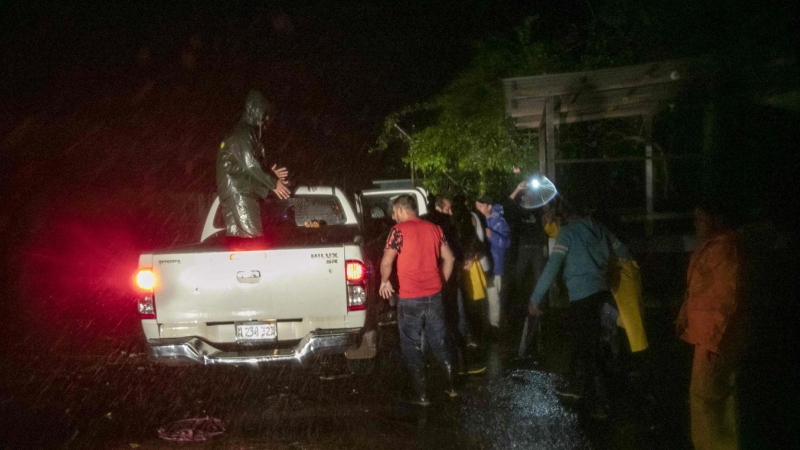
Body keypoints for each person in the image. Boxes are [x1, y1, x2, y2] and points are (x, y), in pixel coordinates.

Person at [528, 195, 633, 418]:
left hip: (581, 298)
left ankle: (602, 403)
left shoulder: (567, 233)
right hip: (603, 294)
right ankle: (579, 385)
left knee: (588, 350)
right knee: (598, 343)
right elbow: (623, 251)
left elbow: (552, 267)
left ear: (563, 214)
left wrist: (535, 298)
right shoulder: (600, 228)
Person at [676, 200, 747, 450]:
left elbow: (727, 299)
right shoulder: (716, 247)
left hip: (713, 338)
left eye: (701, 219)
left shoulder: (725, 250)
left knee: (706, 398)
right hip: (709, 335)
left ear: (717, 220)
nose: (697, 224)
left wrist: (714, 339)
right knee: (713, 397)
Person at [379, 194, 457, 405]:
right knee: (440, 343)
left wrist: (384, 281)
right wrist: (441, 283)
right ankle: (451, 387)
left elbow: (387, 262)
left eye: (395, 211)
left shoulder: (398, 231)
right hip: (434, 297)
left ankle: (422, 395)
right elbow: (449, 258)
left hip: (410, 299)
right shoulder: (434, 228)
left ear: (402, 210)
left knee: (411, 346)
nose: (393, 216)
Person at [216, 89, 291, 240]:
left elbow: (247, 165)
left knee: (239, 240)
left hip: (234, 190)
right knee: (252, 239)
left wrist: (269, 174)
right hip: (240, 191)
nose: (266, 118)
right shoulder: (243, 133)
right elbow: (250, 165)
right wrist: (273, 183)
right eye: (264, 114)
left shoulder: (246, 133)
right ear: (256, 110)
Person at [475, 195, 511, 333]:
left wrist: (492, 235)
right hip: (480, 265)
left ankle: (494, 325)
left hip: (495, 266)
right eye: (476, 206)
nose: (478, 209)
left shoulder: (499, 222)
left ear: (489, 206)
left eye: (481, 206)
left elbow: (507, 243)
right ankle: (483, 325)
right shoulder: (477, 220)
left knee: (493, 297)